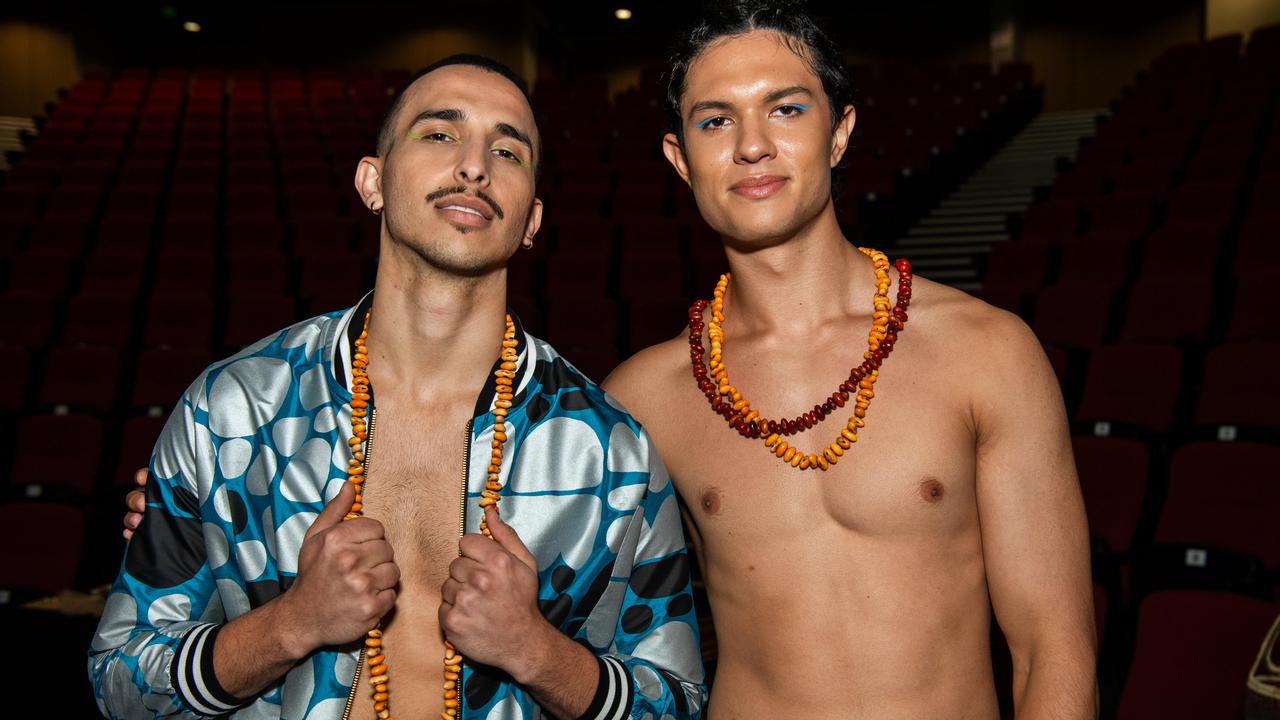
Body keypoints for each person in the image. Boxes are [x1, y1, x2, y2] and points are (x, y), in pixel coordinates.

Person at [91, 54, 705, 720]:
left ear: (532, 220)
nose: (475, 165)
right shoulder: (237, 411)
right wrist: (291, 624)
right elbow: (120, 681)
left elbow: (675, 704)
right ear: (372, 182)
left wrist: (535, 650)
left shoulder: (609, 453)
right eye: (440, 134)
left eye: (508, 150)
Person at [599, 2, 1099, 718]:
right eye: (714, 121)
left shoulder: (986, 354)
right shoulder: (644, 396)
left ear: (839, 133)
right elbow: (600, 646)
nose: (751, 145)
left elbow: (1055, 653)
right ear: (681, 159)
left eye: (786, 109)